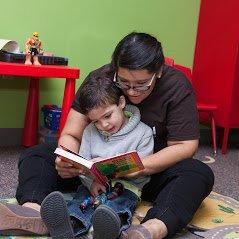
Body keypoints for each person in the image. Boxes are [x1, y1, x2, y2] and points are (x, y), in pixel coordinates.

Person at [1, 32, 214, 239]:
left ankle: (150, 230)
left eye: (142, 84)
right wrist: (68, 160)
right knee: (37, 154)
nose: (131, 92)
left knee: (197, 173)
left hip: (147, 175)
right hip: (91, 173)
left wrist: (136, 166)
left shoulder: (176, 86)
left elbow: (184, 145)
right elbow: (71, 134)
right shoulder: (100, 79)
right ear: (115, 70)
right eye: (123, 83)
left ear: (158, 72)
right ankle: (33, 214)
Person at [40, 76, 154, 239]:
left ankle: (109, 228)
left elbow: (141, 168)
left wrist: (111, 169)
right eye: (96, 121)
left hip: (126, 187)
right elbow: (84, 167)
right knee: (80, 202)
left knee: (116, 205)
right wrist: (91, 181)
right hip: (92, 187)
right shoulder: (89, 132)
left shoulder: (143, 133)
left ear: (121, 103)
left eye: (107, 116)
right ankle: (68, 226)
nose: (104, 125)